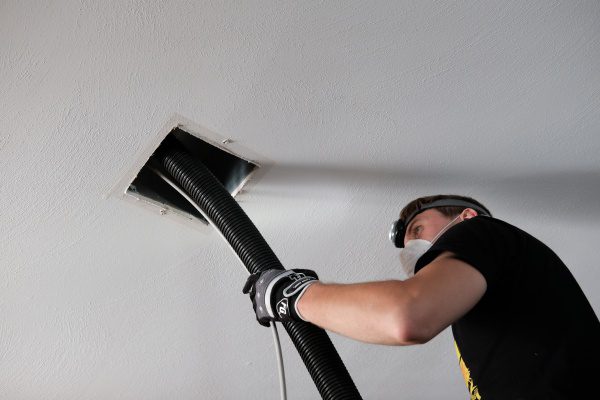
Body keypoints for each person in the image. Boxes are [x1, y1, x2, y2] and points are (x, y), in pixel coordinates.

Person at [243, 194, 600, 399]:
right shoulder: (491, 315)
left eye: (417, 229)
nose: (410, 247)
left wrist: (292, 294)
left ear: (466, 216)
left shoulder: (478, 231)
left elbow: (405, 316)